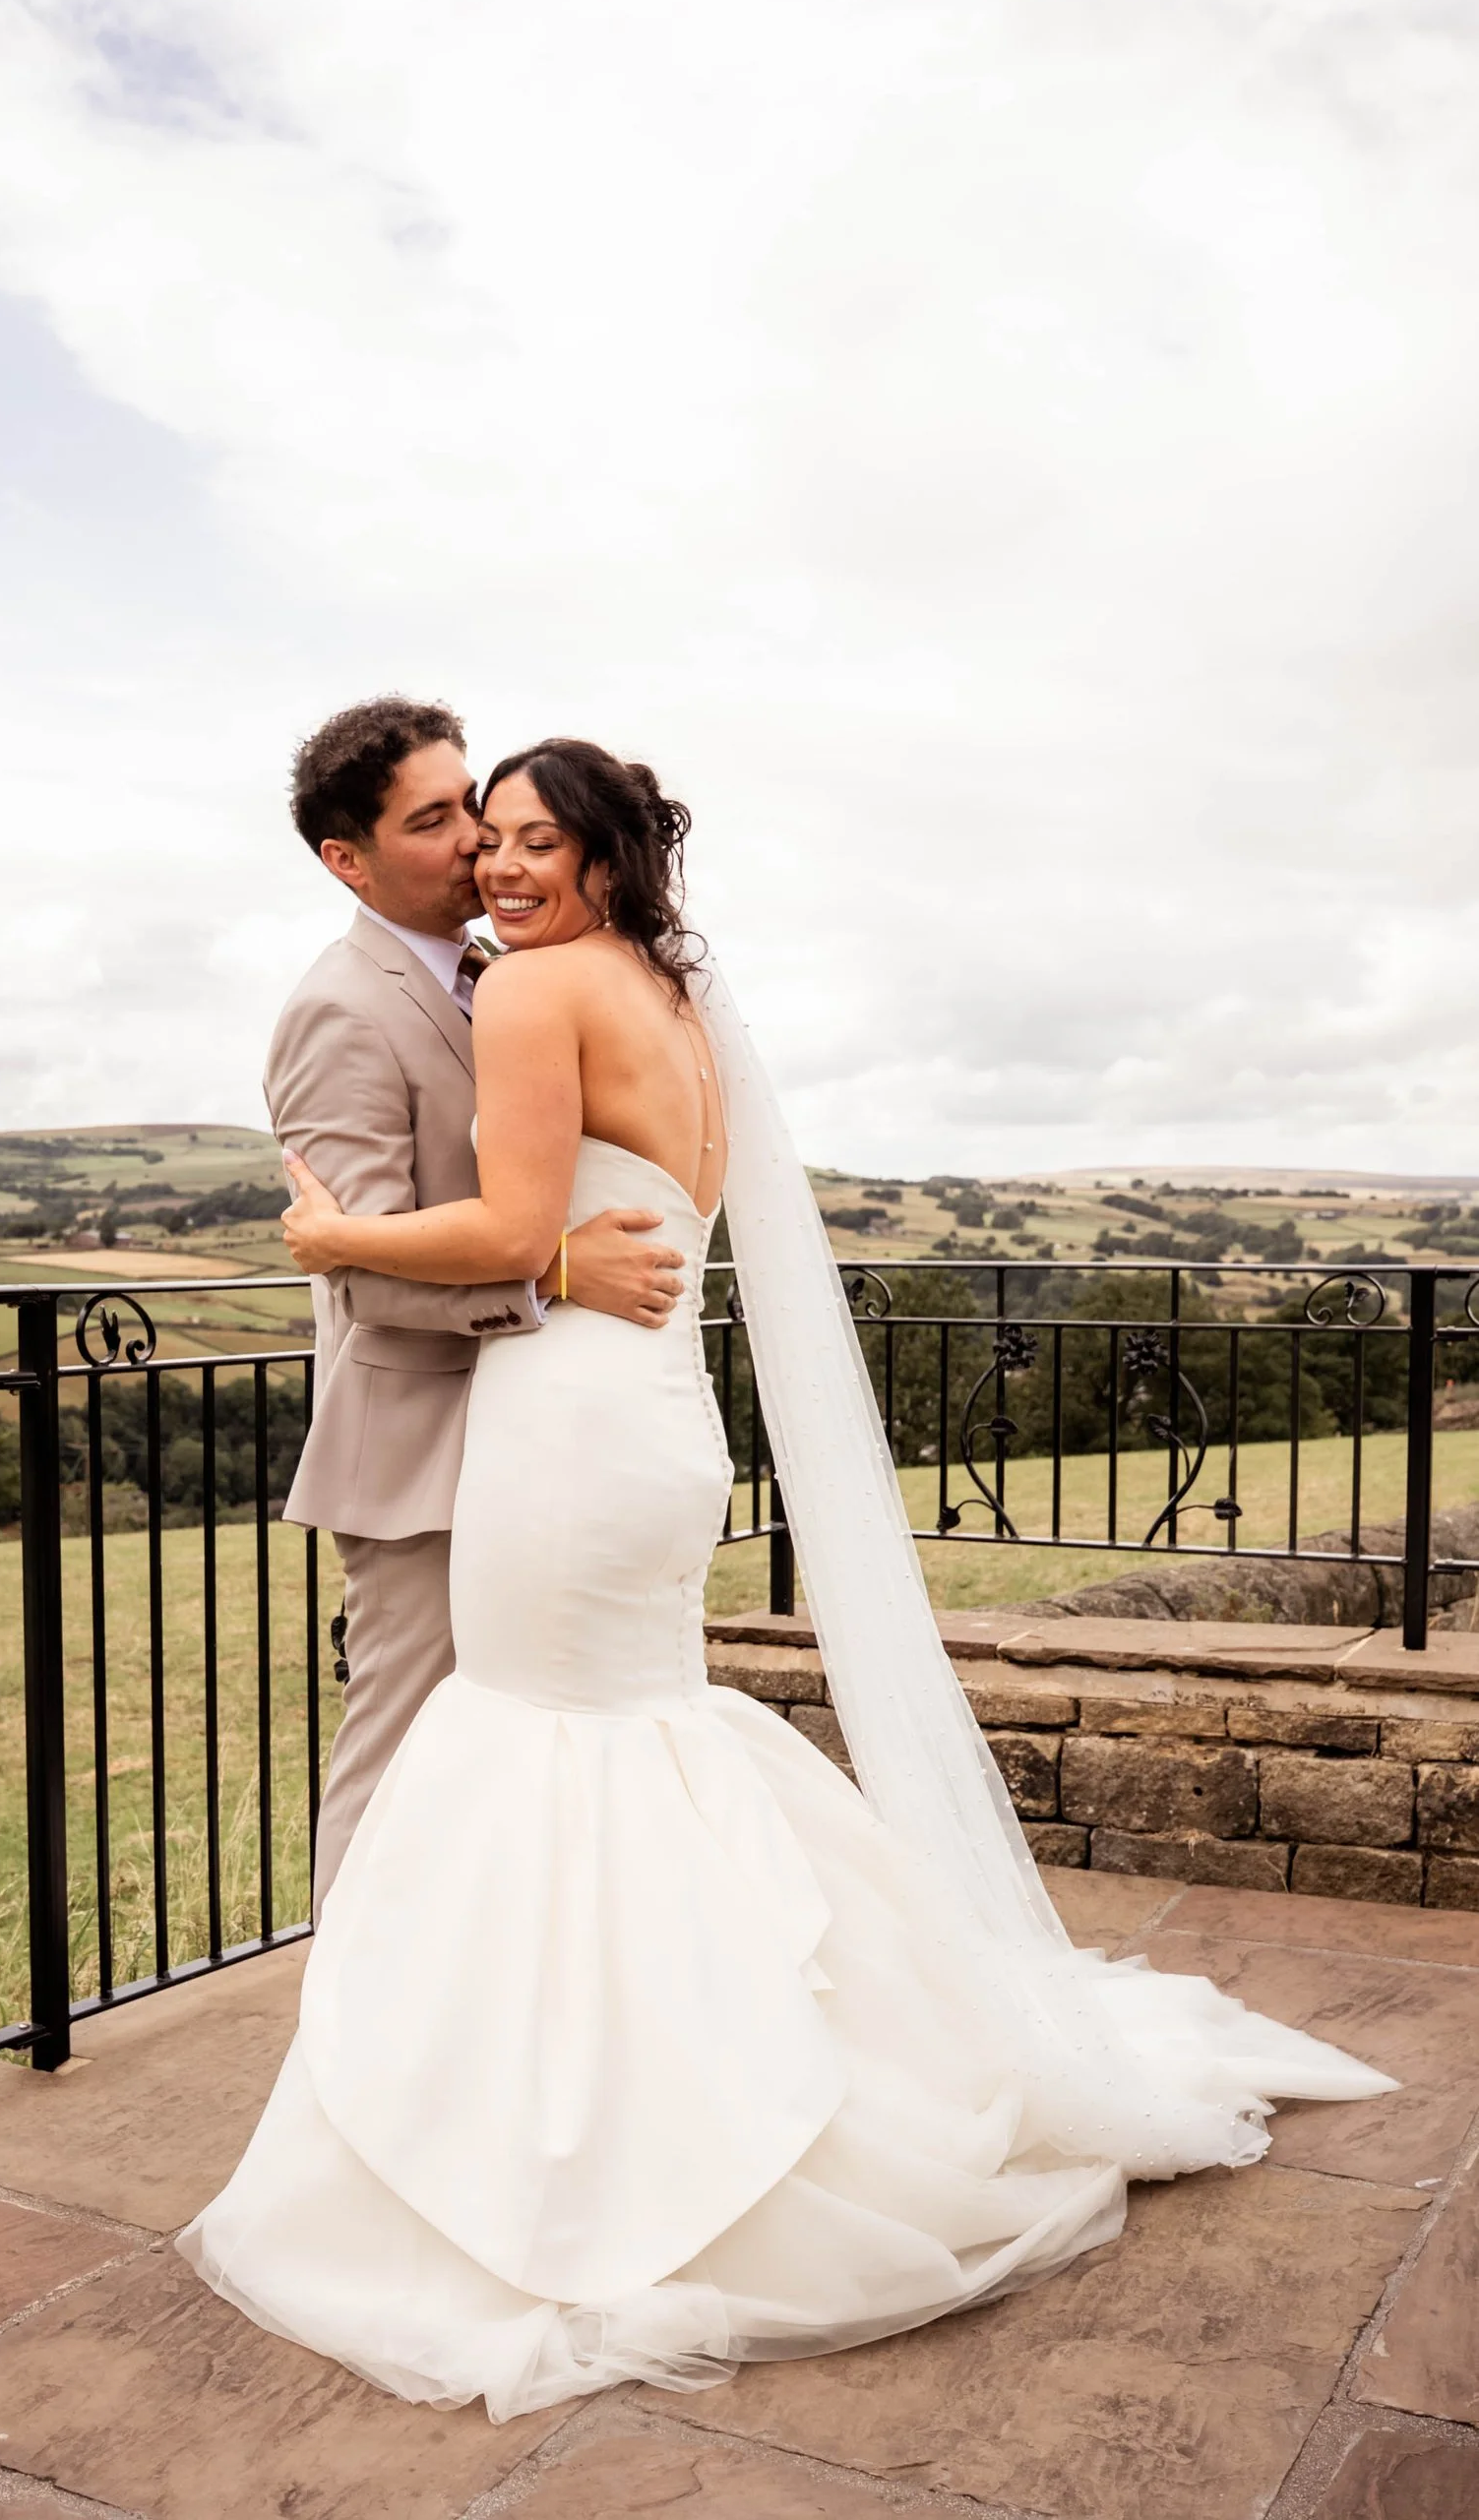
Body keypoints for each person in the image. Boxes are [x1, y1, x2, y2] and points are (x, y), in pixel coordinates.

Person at [179, 732, 1391, 2420]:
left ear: (607, 856)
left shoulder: (533, 992)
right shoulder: (674, 996)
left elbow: (502, 1219)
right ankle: (642, 2076)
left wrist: (330, 1240)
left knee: (548, 1747)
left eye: (528, 836)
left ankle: (556, 2125)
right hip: (653, 1424)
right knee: (623, 1745)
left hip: (566, 1428)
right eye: (476, 830)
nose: (495, 861)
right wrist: (546, 1249)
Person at [267, 700, 688, 1912]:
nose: (473, 845)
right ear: (347, 859)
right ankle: (344, 2041)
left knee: (511, 1766)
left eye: (475, 808)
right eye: (436, 819)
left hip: (541, 1437)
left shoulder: (510, 973)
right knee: (401, 1752)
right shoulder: (338, 1008)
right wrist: (553, 1267)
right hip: (419, 1449)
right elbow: (356, 1261)